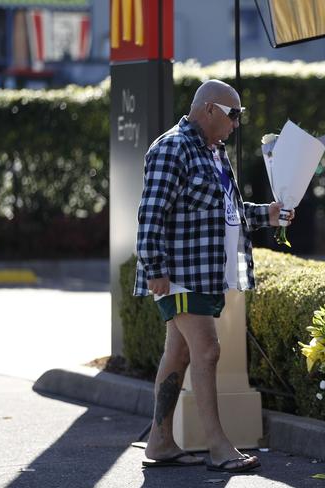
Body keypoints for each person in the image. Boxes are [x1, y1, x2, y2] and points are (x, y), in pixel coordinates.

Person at [134, 79, 293, 472]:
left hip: (203, 275)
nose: (237, 123)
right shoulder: (173, 147)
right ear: (209, 110)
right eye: (233, 114)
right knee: (207, 350)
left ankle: (160, 442)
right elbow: (150, 215)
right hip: (180, 275)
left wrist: (268, 215)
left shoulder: (214, 151)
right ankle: (219, 447)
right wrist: (155, 269)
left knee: (180, 351)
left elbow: (227, 211)